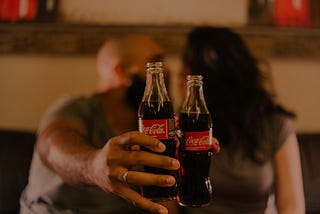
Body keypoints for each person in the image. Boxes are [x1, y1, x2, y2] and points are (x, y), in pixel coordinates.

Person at [19, 35, 181, 214]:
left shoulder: (154, 127)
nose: (168, 70)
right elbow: (51, 148)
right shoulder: (74, 108)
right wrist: (93, 166)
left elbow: (165, 207)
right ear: (121, 72)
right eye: (155, 62)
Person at [180, 27, 305, 214]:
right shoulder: (185, 127)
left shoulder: (275, 124)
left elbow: (292, 207)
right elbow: (167, 205)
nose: (179, 74)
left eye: (187, 69)